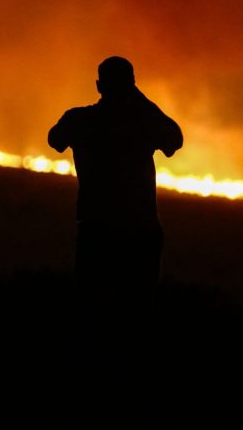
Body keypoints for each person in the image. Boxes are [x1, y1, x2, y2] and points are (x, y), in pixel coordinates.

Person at [48, 56, 182, 315]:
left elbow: (55, 140)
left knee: (91, 309)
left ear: (99, 86)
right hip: (139, 231)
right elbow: (174, 139)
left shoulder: (80, 120)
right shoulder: (142, 124)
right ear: (132, 84)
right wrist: (140, 99)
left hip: (97, 231)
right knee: (136, 310)